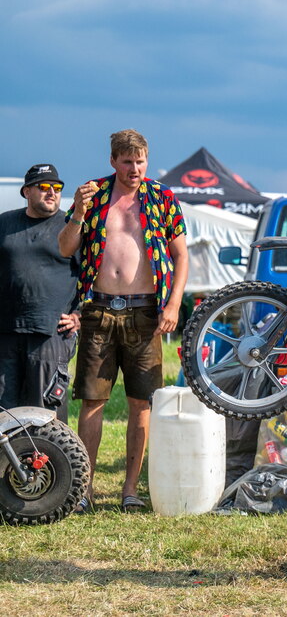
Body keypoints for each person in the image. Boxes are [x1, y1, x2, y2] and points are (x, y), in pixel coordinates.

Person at [57, 129, 189, 513]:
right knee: (93, 402)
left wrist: (174, 304)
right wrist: (79, 213)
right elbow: (66, 248)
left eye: (141, 161)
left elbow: (181, 255)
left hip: (146, 311)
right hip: (97, 310)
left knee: (141, 403)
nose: (135, 168)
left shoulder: (161, 197)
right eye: (128, 161)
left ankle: (130, 490)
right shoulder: (93, 194)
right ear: (113, 161)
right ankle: (84, 489)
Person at [0, 164, 81, 422]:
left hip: (51, 333)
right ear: (26, 192)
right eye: (43, 187)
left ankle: (51, 463)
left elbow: (94, 278)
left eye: (57, 188)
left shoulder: (72, 227)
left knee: (45, 413)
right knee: (4, 412)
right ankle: (8, 463)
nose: (51, 193)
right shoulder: (4, 224)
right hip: (5, 334)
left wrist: (80, 314)